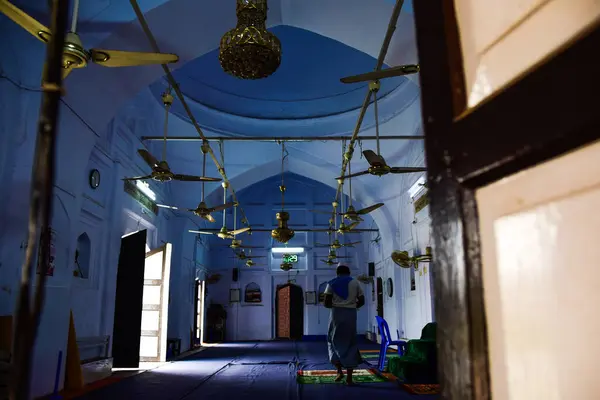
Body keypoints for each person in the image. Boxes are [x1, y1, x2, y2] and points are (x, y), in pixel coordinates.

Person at [323, 264, 365, 385]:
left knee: (333, 340)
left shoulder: (331, 283)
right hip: (351, 314)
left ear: (337, 273)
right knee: (350, 342)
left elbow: (326, 303)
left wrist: (338, 306)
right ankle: (349, 378)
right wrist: (351, 306)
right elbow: (362, 301)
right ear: (349, 272)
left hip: (336, 314)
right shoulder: (355, 283)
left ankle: (339, 371)